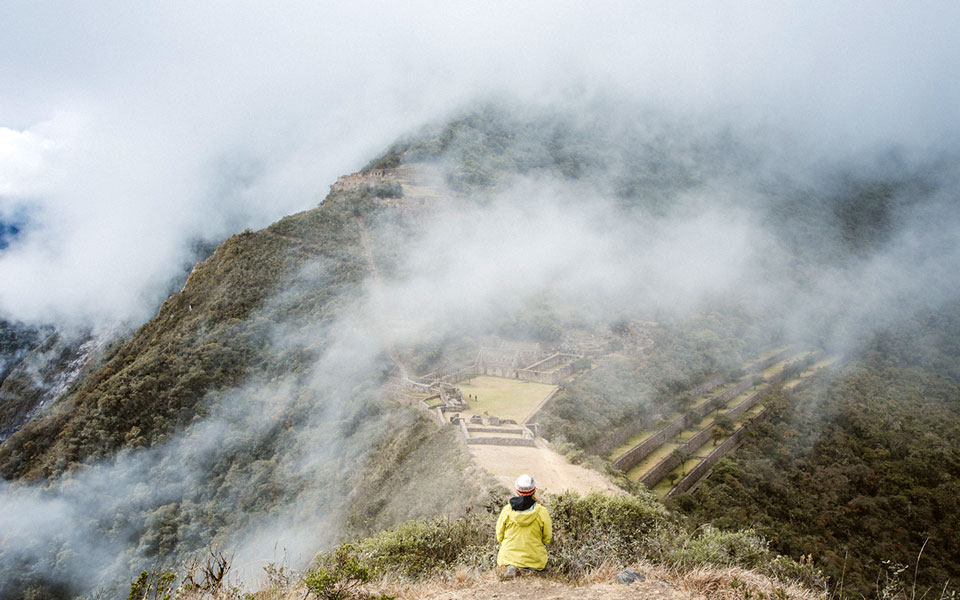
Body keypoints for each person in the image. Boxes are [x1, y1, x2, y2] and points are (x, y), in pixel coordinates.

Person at [496, 474, 552, 576]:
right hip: (535, 560)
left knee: (510, 561)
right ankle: (530, 568)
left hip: (508, 557)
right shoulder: (541, 511)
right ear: (534, 490)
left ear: (517, 490)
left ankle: (513, 567)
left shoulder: (507, 510)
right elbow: (547, 539)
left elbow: (499, 536)